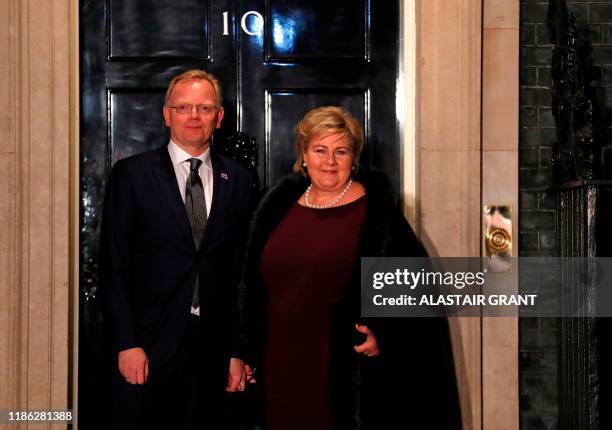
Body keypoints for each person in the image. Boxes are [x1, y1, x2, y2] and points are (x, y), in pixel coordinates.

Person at [240, 106, 461, 429]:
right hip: (278, 359)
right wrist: (244, 346)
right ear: (303, 154)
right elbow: (246, 283)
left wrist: (384, 332)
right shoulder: (273, 206)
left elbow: (418, 295)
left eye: (340, 151)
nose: (330, 161)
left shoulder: (378, 215)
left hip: (342, 368)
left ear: (353, 158)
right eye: (320, 150)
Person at [99, 69, 253, 429]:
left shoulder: (240, 180)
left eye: (204, 107)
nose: (194, 116)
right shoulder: (132, 174)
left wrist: (237, 350)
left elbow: (240, 272)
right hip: (149, 345)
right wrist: (126, 342)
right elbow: (113, 264)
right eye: (183, 107)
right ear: (167, 114)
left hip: (213, 349)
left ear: (219, 116)